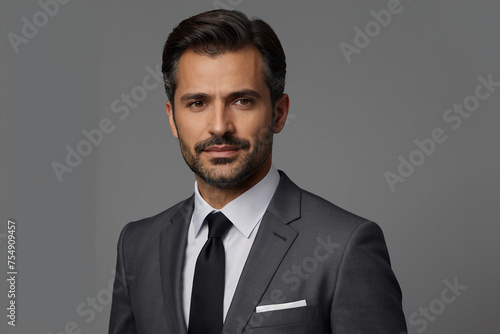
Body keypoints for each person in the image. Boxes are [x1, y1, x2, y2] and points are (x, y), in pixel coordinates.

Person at [109, 9, 407, 334]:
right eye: (198, 103)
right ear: (172, 118)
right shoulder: (137, 246)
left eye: (242, 101)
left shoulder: (344, 246)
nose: (220, 126)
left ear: (278, 114)